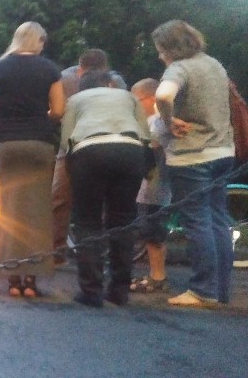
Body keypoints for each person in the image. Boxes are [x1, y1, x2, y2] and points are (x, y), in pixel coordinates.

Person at [0, 21, 65, 298]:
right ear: (37, 41)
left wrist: (5, 119)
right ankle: (32, 280)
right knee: (38, 210)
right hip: (39, 143)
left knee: (9, 208)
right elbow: (59, 110)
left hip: (6, 142)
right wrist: (40, 119)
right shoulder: (50, 69)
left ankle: (13, 278)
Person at [152, 20, 235, 307]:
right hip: (223, 151)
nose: (160, 56)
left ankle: (203, 290)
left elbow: (163, 95)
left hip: (191, 155)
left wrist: (167, 120)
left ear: (170, 48)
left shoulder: (179, 67)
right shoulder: (214, 65)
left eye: (161, 50)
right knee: (219, 221)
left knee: (198, 222)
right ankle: (220, 290)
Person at [60, 70, 150, 307]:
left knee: (87, 221)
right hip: (131, 151)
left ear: (82, 87)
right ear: (109, 84)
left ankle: (91, 290)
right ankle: (120, 290)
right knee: (123, 219)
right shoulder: (127, 97)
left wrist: (71, 168)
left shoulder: (76, 100)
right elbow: (145, 133)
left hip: (90, 151)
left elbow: (66, 138)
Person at [52, 49, 128, 261]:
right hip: (98, 143)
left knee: (59, 197)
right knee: (101, 198)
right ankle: (100, 250)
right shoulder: (68, 79)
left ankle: (58, 250)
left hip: (76, 143)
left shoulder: (64, 79)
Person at [130, 78, 173, 293]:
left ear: (148, 98)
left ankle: (158, 276)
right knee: (150, 226)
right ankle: (155, 274)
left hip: (155, 185)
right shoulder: (155, 120)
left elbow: (152, 143)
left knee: (152, 227)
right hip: (154, 182)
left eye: (135, 99)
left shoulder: (158, 120)